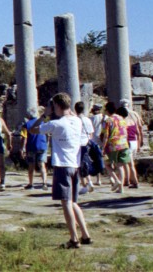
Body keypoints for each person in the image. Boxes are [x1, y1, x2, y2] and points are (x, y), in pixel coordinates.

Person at [30, 93, 94, 249]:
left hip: (62, 165)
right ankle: (85, 234)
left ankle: (74, 239)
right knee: (73, 202)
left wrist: (44, 115)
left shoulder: (55, 124)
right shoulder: (78, 121)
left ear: (56, 106)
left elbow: (33, 130)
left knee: (66, 203)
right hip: (75, 165)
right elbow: (71, 114)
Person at [100, 102, 130, 193]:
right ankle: (121, 188)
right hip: (124, 143)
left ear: (107, 110)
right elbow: (125, 130)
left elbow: (106, 135)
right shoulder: (121, 118)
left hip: (113, 145)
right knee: (120, 166)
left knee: (107, 164)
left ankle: (117, 180)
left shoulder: (108, 120)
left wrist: (103, 148)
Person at [22, 107, 48, 190]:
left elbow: (24, 137)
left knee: (31, 166)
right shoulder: (42, 122)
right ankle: (44, 183)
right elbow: (47, 134)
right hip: (42, 146)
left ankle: (31, 184)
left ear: (28, 115)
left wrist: (22, 148)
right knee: (42, 165)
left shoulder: (26, 125)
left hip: (31, 146)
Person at [75, 102, 97, 195]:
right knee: (86, 163)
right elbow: (91, 133)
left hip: (78, 144)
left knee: (79, 165)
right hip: (87, 143)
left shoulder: (75, 120)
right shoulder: (87, 120)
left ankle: (84, 185)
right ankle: (89, 182)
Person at [120, 100, 143, 189]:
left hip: (128, 142)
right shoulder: (134, 116)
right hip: (134, 141)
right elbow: (139, 130)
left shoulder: (123, 119)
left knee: (129, 163)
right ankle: (128, 180)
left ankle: (133, 181)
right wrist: (140, 142)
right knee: (129, 161)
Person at [89, 104, 105, 186]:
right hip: (102, 141)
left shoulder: (91, 118)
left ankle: (97, 179)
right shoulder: (104, 117)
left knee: (95, 160)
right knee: (102, 159)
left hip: (93, 141)